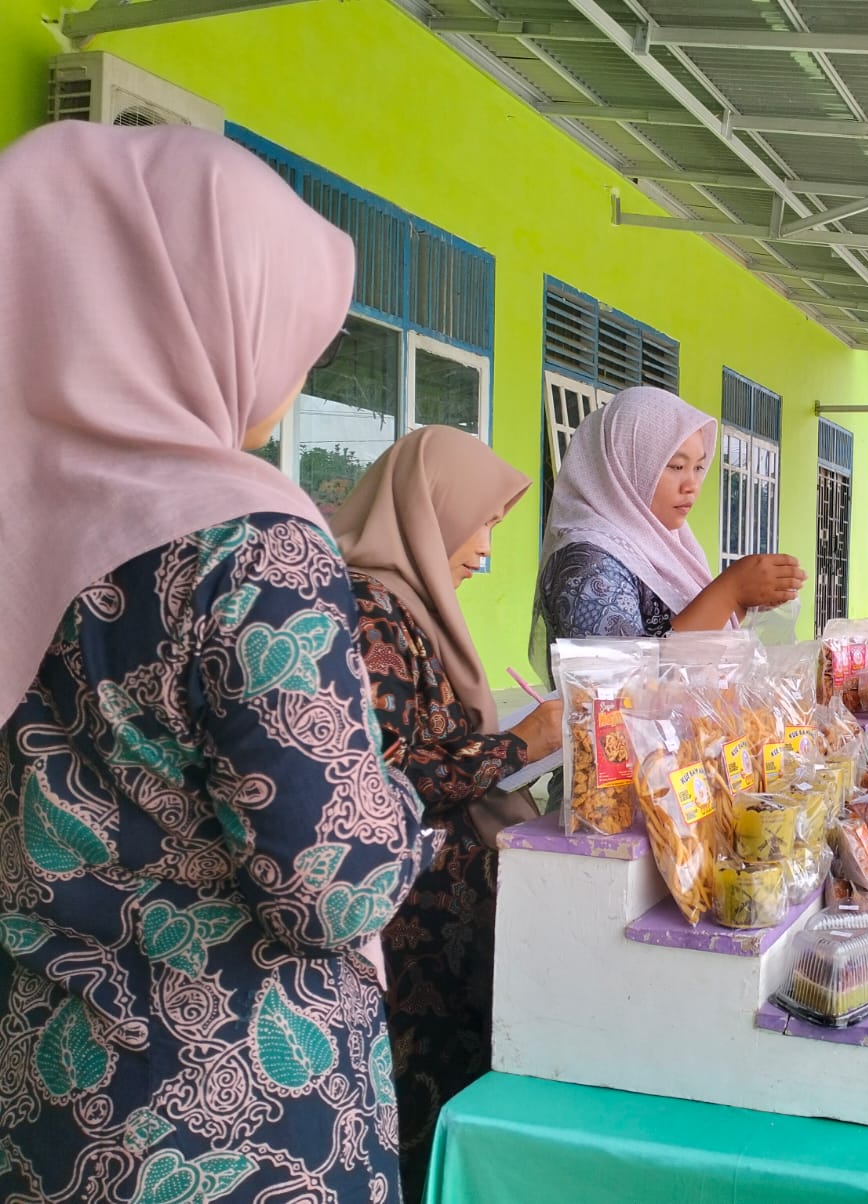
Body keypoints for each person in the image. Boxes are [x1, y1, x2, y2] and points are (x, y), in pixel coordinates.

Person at [0, 122, 423, 1201]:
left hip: (41, 1094)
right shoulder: (245, 545)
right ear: (197, 308)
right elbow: (332, 884)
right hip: (235, 1112)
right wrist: (405, 811)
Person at [330, 424, 563, 1202]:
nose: (486, 548)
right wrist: (519, 745)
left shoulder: (407, 608)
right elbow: (387, 774)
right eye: (483, 520)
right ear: (432, 510)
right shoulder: (370, 613)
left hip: (437, 923)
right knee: (416, 1119)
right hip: (408, 930)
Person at [530, 385, 805, 671]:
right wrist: (729, 591)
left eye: (698, 468)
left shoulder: (669, 546)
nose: (691, 486)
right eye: (675, 466)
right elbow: (623, 688)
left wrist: (743, 600)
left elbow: (682, 641)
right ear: (625, 463)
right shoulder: (588, 563)